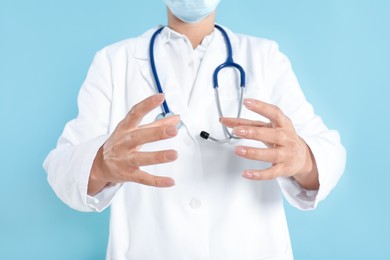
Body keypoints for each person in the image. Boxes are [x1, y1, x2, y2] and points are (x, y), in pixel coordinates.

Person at [43, 0, 346, 259]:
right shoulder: (113, 61)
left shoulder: (264, 57)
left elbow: (328, 152)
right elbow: (62, 167)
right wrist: (99, 164)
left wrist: (303, 158)